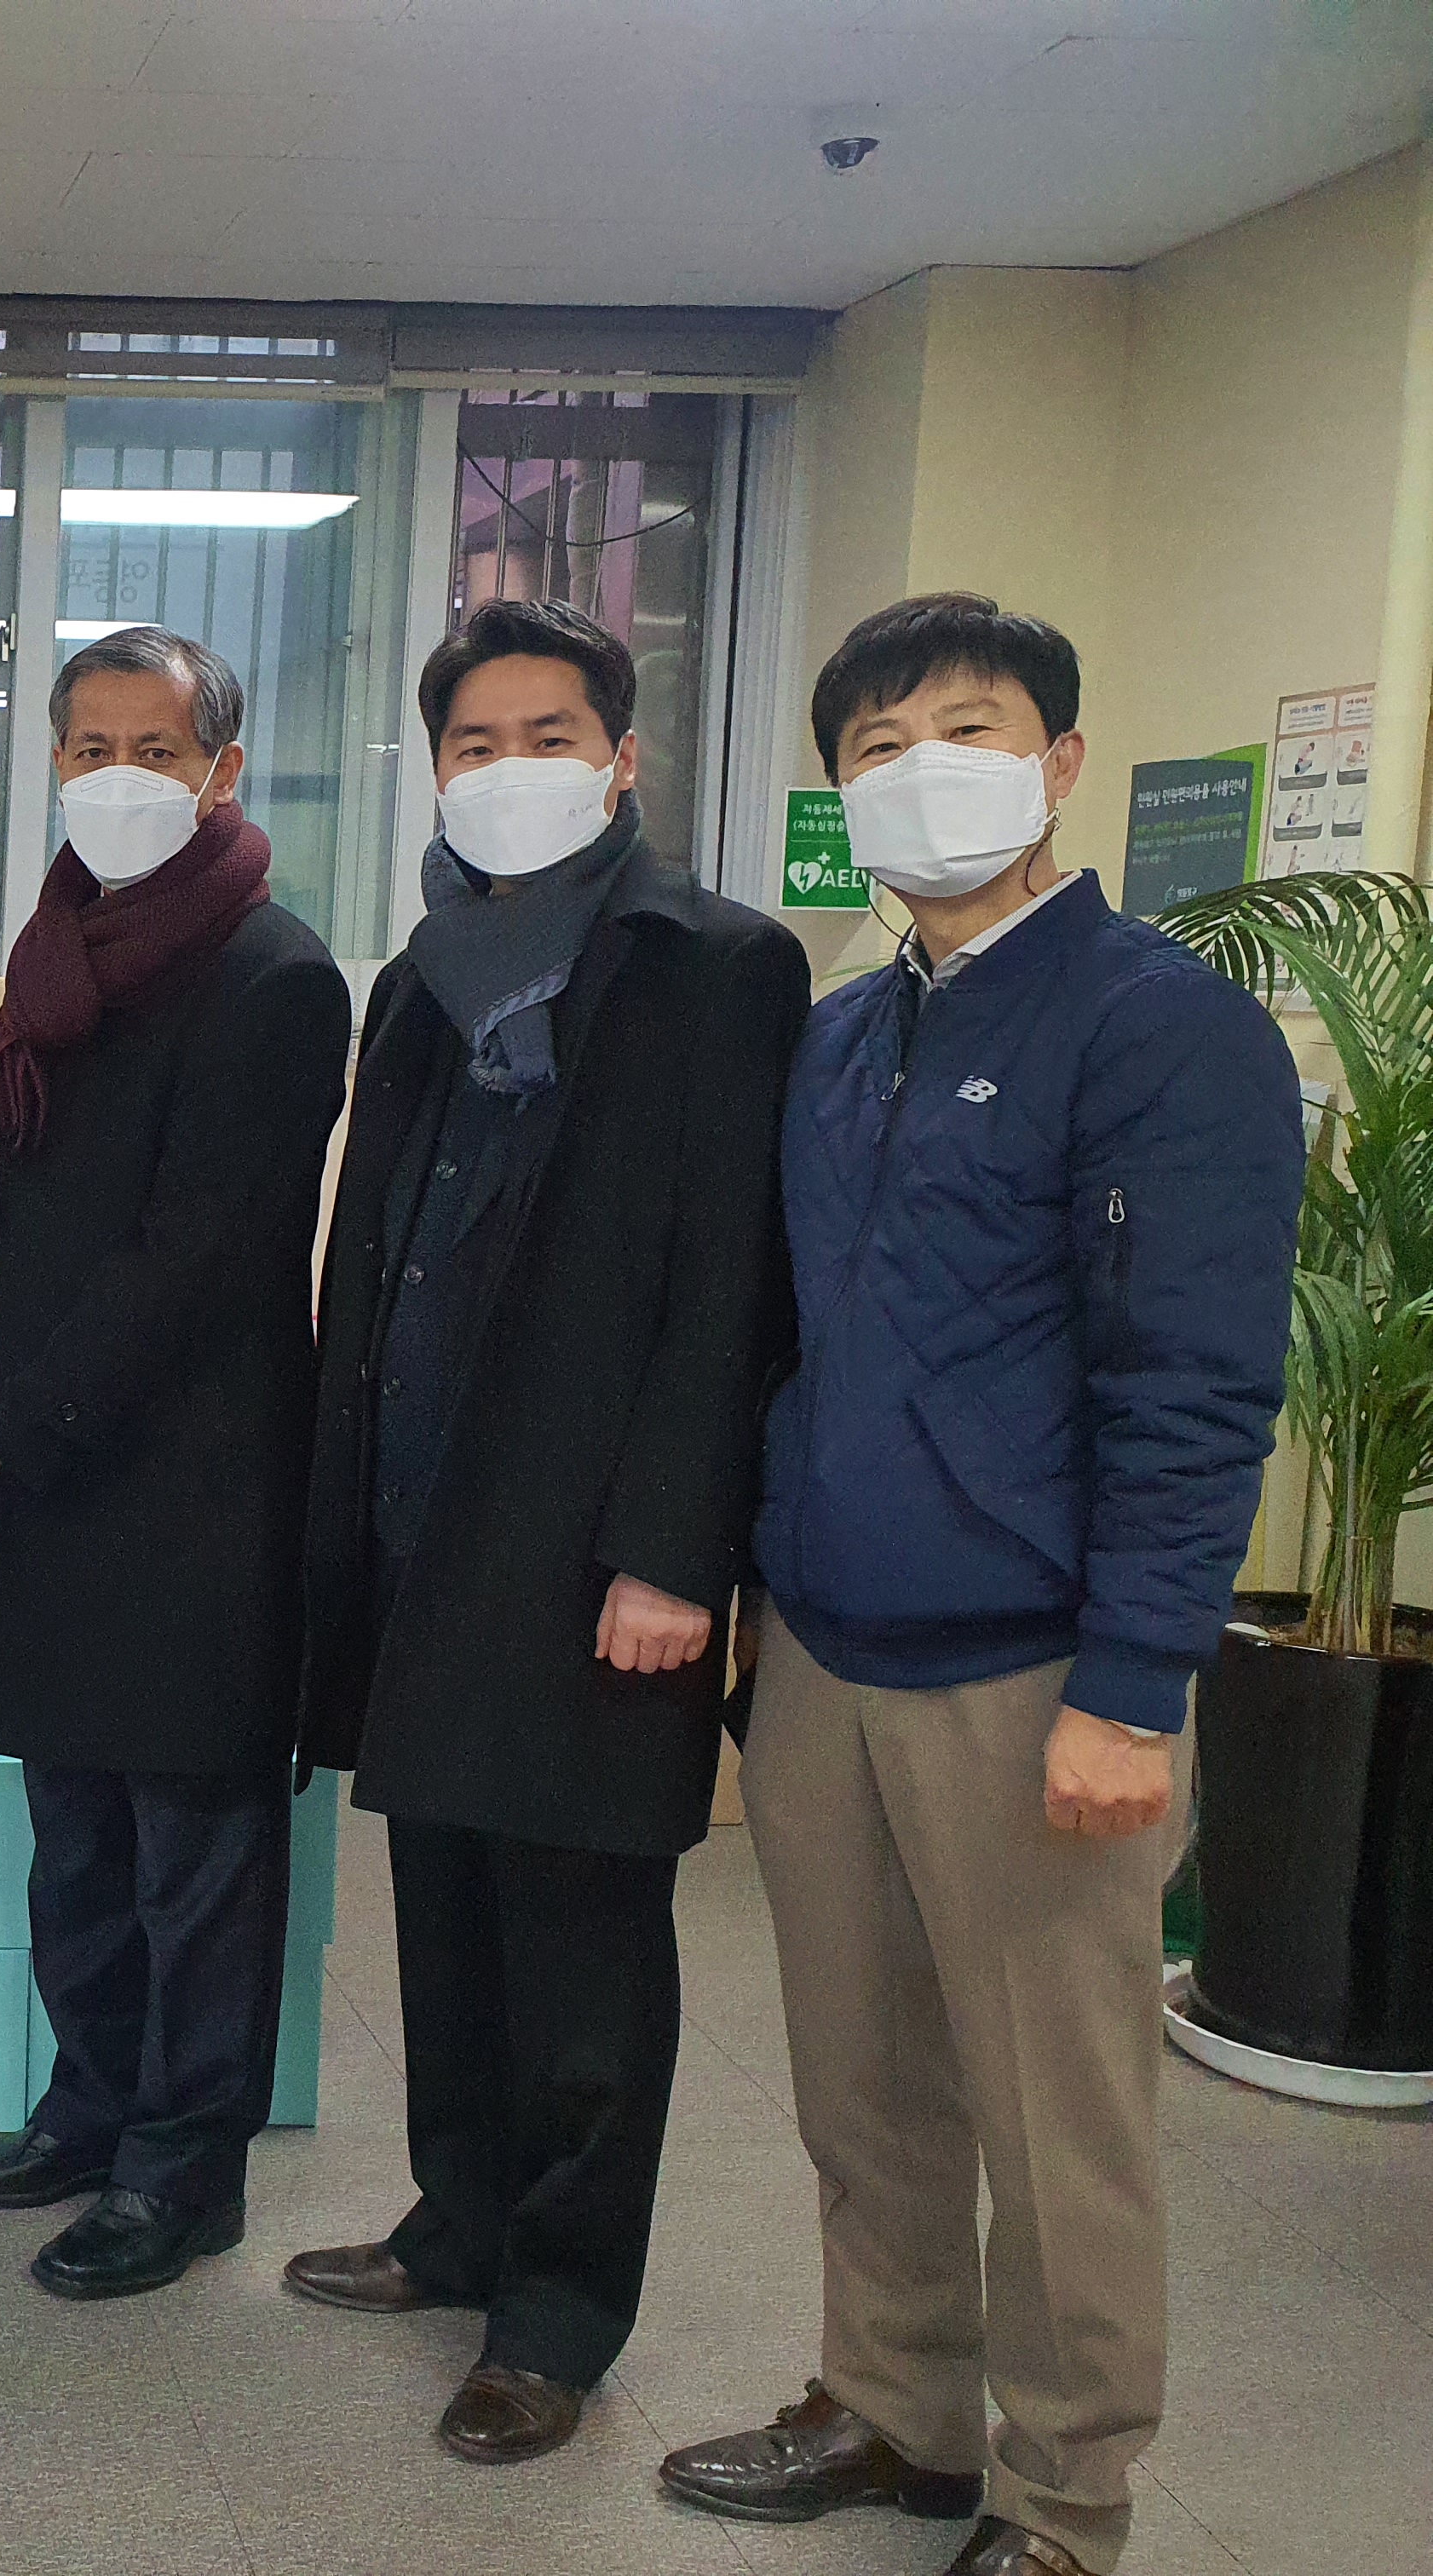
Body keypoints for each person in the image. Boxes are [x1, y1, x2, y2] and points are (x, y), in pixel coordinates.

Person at [661, 596, 1303, 2576]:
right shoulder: (846, 1031)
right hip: (832, 1652)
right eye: (873, 746)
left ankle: (1064, 2495)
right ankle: (896, 2407)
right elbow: (794, 1339)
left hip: (1036, 1674)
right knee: (864, 2089)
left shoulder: (1158, 1024)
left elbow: (1195, 1387)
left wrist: (1135, 1687)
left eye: (968, 724)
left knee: (1061, 2122)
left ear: (1060, 765)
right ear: (840, 792)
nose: (919, 766)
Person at [285, 598, 810, 2462]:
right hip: (428, 1506)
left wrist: (679, 1553)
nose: (510, 770)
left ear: (624, 756)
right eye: (473, 743)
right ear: (435, 768)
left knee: (583, 1944)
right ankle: (458, 2224)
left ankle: (561, 2312)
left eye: (547, 733)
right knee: (443, 1906)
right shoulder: (422, 974)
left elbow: (732, 1282)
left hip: (599, 1544)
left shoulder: (718, 966)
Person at [0, 626, 353, 2301]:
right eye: (85, 746)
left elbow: (194, 1260)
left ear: (222, 774)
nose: (116, 777)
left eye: (153, 746)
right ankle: (91, 2108)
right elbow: (67, 1190)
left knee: (194, 1849)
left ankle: (185, 2174)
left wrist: (0, 1425)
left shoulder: (276, 976)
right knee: (79, 1838)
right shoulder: (72, 954)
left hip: (196, 1485)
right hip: (72, 1469)